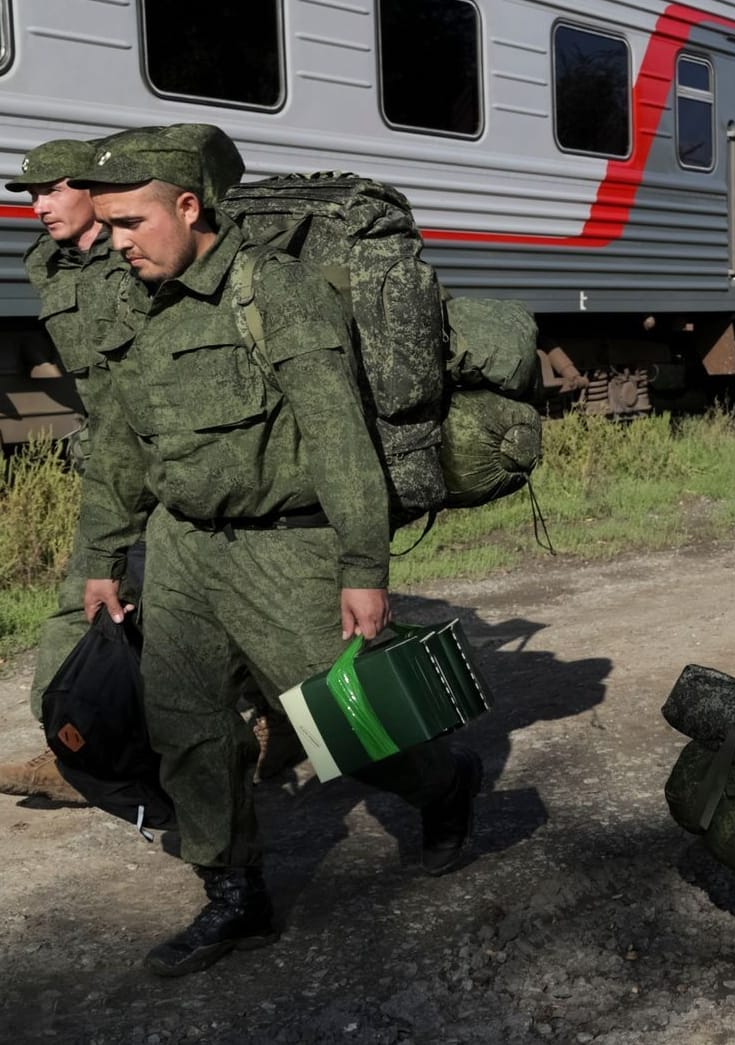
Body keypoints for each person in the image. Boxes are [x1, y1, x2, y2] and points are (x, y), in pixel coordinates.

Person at [70, 125, 482, 977]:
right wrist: (102, 555)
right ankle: (236, 897)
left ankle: (444, 783)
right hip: (180, 550)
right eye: (106, 226)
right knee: (189, 731)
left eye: (131, 222)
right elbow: (116, 442)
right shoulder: (133, 303)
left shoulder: (275, 289)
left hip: (285, 550)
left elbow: (338, 438)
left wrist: (364, 567)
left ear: (188, 207)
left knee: (353, 723)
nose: (117, 243)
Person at [0, 139, 146, 805]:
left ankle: (279, 721)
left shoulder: (142, 252)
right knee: (78, 602)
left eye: (51, 190)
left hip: (174, 453)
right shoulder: (49, 266)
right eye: (29, 195)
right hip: (114, 458)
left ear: (92, 187)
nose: (39, 207)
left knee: (220, 608)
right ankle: (67, 742)